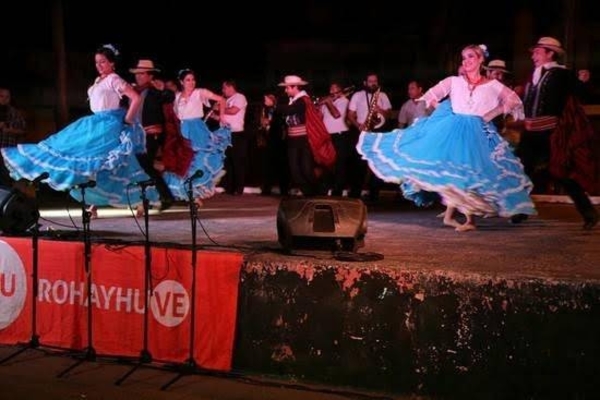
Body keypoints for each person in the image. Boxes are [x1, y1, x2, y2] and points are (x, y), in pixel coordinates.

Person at [357, 44, 536, 232]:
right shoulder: (454, 81)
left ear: (481, 60)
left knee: (470, 171)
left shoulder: (492, 85)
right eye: (463, 58)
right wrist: (446, 112)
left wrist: (491, 114)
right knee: (457, 170)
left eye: (470, 57)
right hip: (453, 130)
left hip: (477, 131)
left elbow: (513, 101)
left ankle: (464, 219)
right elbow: (431, 96)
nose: (466, 61)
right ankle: (461, 219)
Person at [1, 44, 159, 214]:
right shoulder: (99, 80)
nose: (99, 66)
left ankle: (137, 199)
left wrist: (127, 120)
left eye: (103, 62)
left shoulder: (114, 79)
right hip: (95, 122)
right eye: (97, 62)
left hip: (108, 124)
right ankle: (96, 203)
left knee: (98, 161)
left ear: (112, 63)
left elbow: (135, 98)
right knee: (91, 159)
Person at [509, 37, 599, 229]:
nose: (533, 55)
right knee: (521, 170)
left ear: (550, 53)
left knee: (561, 173)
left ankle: (588, 212)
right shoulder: (533, 75)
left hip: (551, 133)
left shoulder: (562, 74)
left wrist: (583, 82)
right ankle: (520, 210)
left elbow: (583, 94)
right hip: (531, 133)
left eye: (537, 52)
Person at [161, 68, 231, 206]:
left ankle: (196, 193)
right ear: (181, 82)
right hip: (182, 131)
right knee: (182, 163)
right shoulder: (177, 96)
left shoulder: (200, 92)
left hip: (197, 130)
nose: (191, 82)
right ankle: (187, 194)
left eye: (193, 79)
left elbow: (221, 99)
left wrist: (222, 117)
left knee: (198, 160)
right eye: (188, 80)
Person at [128, 59, 176, 212]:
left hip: (151, 134)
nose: (138, 77)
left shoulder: (154, 89)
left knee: (146, 166)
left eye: (142, 74)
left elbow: (169, 97)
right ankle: (153, 198)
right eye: (137, 74)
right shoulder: (134, 91)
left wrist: (163, 90)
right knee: (143, 167)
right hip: (137, 135)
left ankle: (164, 196)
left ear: (150, 76)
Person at [276, 75, 336, 197]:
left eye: (287, 88)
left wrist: (274, 106)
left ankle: (318, 192)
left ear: (295, 87)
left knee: (306, 169)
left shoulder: (303, 100)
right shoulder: (294, 100)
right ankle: (310, 194)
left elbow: (290, 111)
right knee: (295, 171)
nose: (285, 90)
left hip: (303, 140)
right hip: (293, 140)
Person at [319, 81, 351, 196]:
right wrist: (319, 105)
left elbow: (337, 115)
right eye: (331, 89)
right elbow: (319, 118)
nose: (332, 91)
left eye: (335, 89)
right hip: (327, 136)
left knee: (340, 164)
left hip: (340, 135)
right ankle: (325, 188)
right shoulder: (327, 102)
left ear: (340, 90)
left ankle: (338, 191)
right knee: (327, 163)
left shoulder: (344, 101)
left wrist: (328, 102)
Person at [0, 87, 26, 187]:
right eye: (1, 96)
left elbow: (23, 131)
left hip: (7, 151)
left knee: (5, 175)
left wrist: (10, 130)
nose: (4, 99)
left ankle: (5, 199)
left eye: (7, 97)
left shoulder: (14, 113)